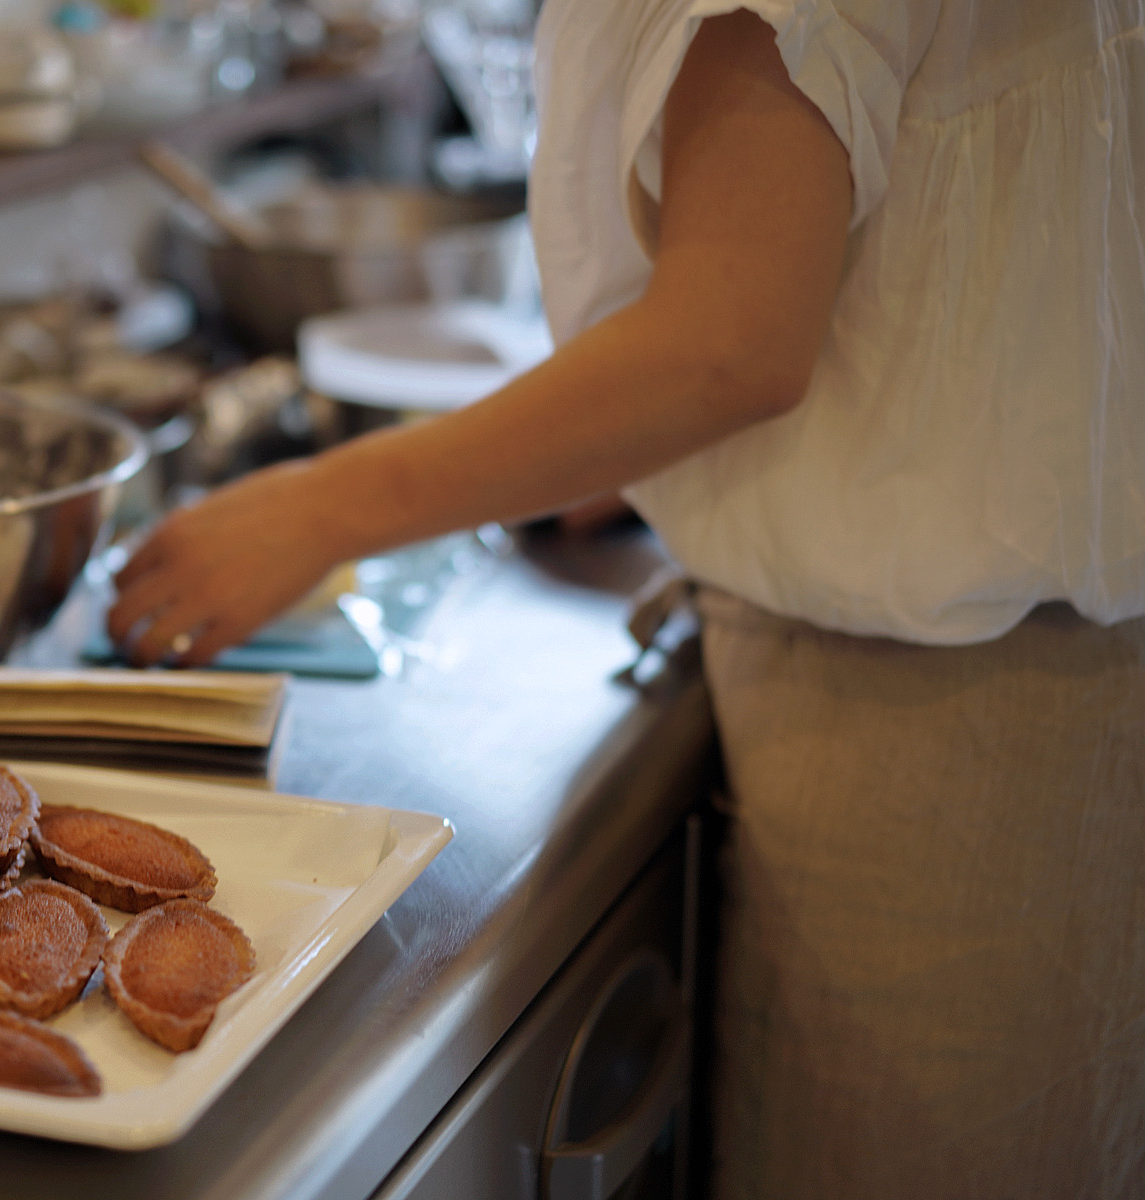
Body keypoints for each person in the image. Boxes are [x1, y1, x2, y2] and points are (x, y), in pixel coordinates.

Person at [108, 1, 1145, 1195]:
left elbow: (729, 341)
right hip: (1028, 688)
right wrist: (640, 443)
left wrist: (317, 508)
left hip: (954, 741)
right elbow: (920, 242)